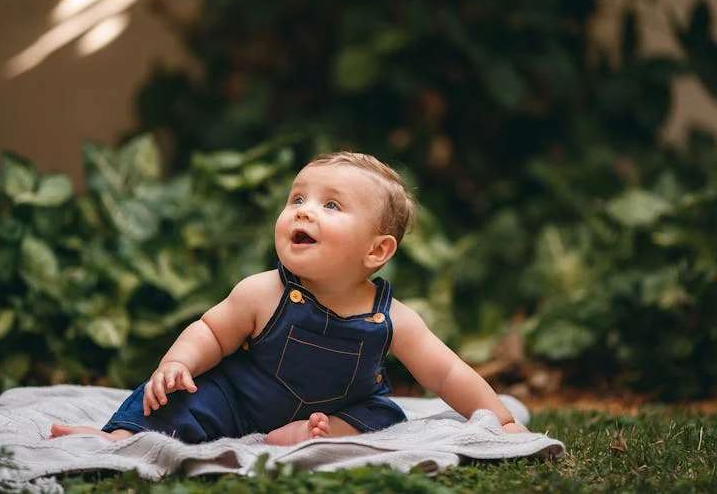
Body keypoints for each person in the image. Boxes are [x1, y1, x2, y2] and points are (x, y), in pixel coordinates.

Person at [51, 151, 528, 446]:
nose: (304, 211)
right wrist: (177, 364)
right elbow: (211, 331)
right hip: (240, 402)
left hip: (340, 405)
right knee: (176, 400)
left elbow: (445, 372)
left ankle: (314, 433)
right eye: (297, 199)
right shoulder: (264, 292)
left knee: (384, 413)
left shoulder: (392, 319)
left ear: (376, 250)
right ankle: (116, 437)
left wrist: (500, 420)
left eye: (331, 205)